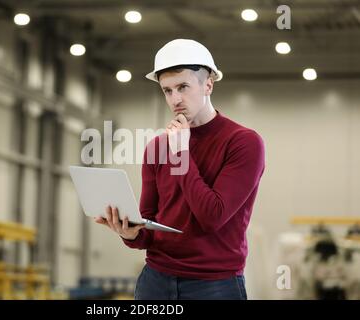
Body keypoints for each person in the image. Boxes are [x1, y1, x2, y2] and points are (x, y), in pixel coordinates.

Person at [95, 39, 265, 300]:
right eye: (167, 91)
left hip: (215, 285)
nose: (175, 99)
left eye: (183, 87)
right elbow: (149, 225)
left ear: (208, 84)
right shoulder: (156, 147)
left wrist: (181, 153)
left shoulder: (244, 142)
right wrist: (130, 234)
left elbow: (212, 216)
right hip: (154, 281)